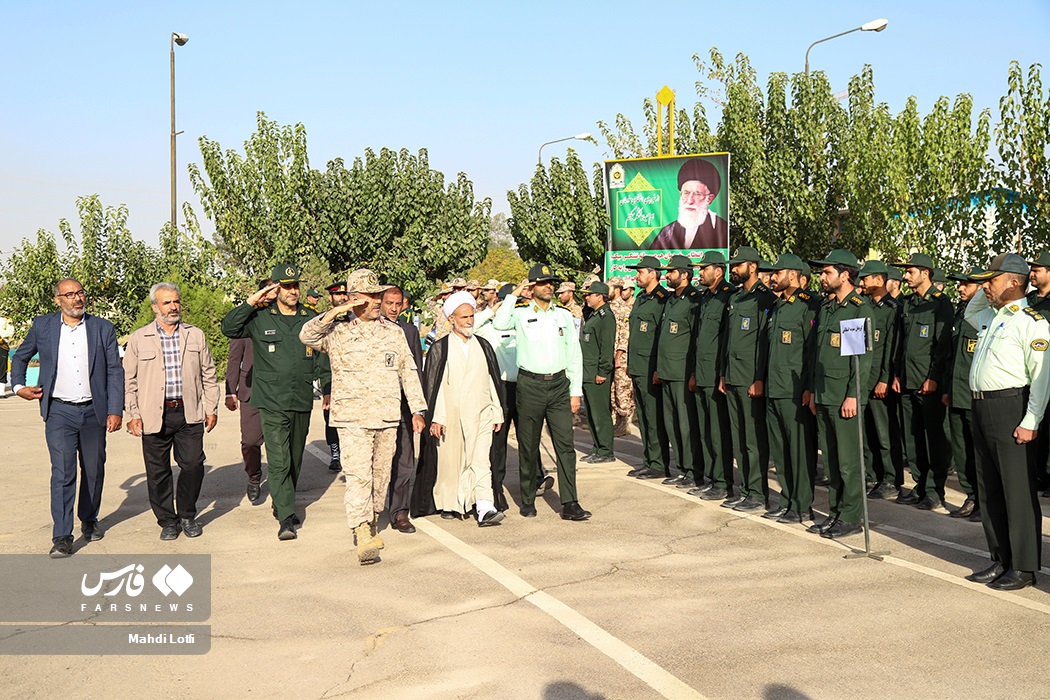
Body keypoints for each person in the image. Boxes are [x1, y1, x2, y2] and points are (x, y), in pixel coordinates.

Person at [300, 269, 426, 564]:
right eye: (371, 296)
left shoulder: (393, 332)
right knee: (359, 477)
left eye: (378, 295)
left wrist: (418, 409)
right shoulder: (337, 332)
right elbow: (305, 334)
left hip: (386, 416)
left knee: (380, 477)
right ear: (355, 299)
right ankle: (361, 531)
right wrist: (336, 312)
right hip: (352, 418)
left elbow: (408, 370)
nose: (378, 301)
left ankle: (370, 521)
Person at [11, 278, 123, 558]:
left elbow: (114, 371)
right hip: (59, 411)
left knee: (94, 470)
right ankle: (62, 535)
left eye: (80, 293)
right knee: (62, 473)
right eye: (69, 294)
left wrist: (114, 409)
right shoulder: (43, 326)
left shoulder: (102, 328)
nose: (77, 299)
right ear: (57, 299)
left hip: (93, 411)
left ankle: (89, 518)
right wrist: (18, 386)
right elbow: (21, 357)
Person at [964, 253, 1050, 590]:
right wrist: (987, 287)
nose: (984, 286)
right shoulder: (992, 315)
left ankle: (1024, 567)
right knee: (990, 489)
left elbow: (1042, 379)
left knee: (1017, 491)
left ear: (1013, 282)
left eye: (992, 280)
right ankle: (1000, 558)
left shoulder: (1032, 322)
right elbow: (971, 311)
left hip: (1011, 408)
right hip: (982, 408)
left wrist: (1031, 420)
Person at [221, 263, 320, 541]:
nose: (293, 291)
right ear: (275, 289)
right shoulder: (260, 318)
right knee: (278, 460)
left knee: (295, 459)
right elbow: (229, 328)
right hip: (271, 400)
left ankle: (281, 502)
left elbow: (322, 350)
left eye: (295, 286)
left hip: (300, 397)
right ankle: (287, 517)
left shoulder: (309, 317)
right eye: (286, 286)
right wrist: (252, 302)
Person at [493, 264, 591, 521]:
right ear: (532, 287)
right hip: (530, 385)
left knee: (565, 447)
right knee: (528, 445)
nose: (550, 286)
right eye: (544, 282)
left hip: (559, 385)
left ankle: (570, 502)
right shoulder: (520, 313)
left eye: (552, 282)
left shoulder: (563, 316)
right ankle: (527, 499)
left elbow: (573, 353)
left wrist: (575, 391)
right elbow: (499, 323)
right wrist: (515, 294)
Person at [124, 282, 219, 540]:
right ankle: (167, 520)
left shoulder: (195, 335)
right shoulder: (139, 338)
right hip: (153, 415)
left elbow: (209, 374)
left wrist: (211, 407)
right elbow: (128, 380)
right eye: (167, 302)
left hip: (188, 413)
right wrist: (133, 414)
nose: (173, 306)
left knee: (193, 465)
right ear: (155, 307)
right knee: (157, 473)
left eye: (176, 301)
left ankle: (187, 514)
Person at [413, 291, 506, 525]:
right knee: (451, 463)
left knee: (481, 460)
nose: (469, 321)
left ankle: (484, 506)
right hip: (450, 416)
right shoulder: (440, 348)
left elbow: (491, 380)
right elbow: (436, 387)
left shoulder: (483, 345)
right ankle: (450, 503)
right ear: (452, 319)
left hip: (482, 413)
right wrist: (437, 418)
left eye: (471, 316)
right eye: (463, 317)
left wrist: (497, 411)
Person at [805, 250, 873, 539]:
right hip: (823, 393)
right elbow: (816, 353)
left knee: (848, 461)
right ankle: (835, 512)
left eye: (827, 272)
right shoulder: (828, 307)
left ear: (845, 275)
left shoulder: (858, 308)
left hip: (843, 396)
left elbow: (862, 360)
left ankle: (850, 516)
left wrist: (853, 395)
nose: (822, 277)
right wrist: (811, 389)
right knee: (832, 460)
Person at [892, 253, 954, 512]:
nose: (906, 276)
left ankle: (934, 490)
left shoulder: (940, 303)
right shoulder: (907, 303)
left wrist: (933, 377)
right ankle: (919, 485)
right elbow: (899, 343)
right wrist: (896, 374)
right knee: (912, 437)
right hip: (906, 380)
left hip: (927, 382)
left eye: (910, 272)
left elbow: (942, 346)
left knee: (932, 438)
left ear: (925, 274)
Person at [764, 254, 820, 522]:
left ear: (795, 275)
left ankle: (802, 505)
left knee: (799, 451)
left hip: (794, 390)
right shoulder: (777, 305)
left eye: (779, 272)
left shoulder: (809, 306)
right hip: (774, 388)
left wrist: (809, 387)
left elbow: (812, 352)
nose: (774, 277)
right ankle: (786, 499)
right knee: (782, 451)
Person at [721, 246, 776, 511]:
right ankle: (745, 490)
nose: (733, 269)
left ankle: (757, 492)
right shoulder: (737, 297)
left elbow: (764, 343)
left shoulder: (764, 298)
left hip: (750, 379)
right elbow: (729, 341)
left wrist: (759, 378)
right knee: (738, 437)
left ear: (752, 266)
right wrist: (723, 373)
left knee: (753, 439)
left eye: (738, 265)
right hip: (732, 376)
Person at [857, 261, 903, 500]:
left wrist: (885, 377)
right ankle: (872, 475)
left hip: (879, 379)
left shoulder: (893, 308)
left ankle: (890, 479)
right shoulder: (863, 306)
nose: (861, 283)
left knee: (885, 433)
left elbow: (891, 348)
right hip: (863, 379)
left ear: (878, 280)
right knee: (866, 433)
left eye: (865, 278)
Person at [691, 251, 736, 501]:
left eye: (704, 269)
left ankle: (723, 481)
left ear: (718, 271)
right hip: (702, 372)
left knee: (718, 432)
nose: (700, 272)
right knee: (706, 430)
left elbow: (725, 343)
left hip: (715, 374)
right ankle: (711, 478)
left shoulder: (727, 296)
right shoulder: (706, 297)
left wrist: (722, 375)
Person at [381, 285, 424, 533]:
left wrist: (419, 409)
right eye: (389, 303)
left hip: (404, 407)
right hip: (377, 408)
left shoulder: (410, 331)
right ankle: (370, 514)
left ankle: (400, 513)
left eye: (398, 304)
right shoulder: (370, 330)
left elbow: (415, 370)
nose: (394, 309)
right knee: (379, 464)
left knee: (405, 462)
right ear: (381, 302)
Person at [625, 256, 671, 480]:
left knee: (654, 417)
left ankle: (660, 463)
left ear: (653, 274)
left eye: (640, 272)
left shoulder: (664, 299)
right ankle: (649, 460)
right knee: (642, 417)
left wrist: (658, 368)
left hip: (651, 367)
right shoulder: (641, 298)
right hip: (637, 366)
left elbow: (663, 338)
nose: (636, 276)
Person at [944, 267, 985, 520]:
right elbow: (951, 357)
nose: (960, 288)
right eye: (960, 284)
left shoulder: (985, 316)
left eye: (966, 284)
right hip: (956, 393)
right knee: (961, 451)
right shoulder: (960, 316)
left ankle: (984, 500)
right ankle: (971, 496)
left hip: (975, 396)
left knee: (978, 452)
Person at [656, 255, 700, 487]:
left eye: (671, 272)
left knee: (685, 425)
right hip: (667, 371)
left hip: (682, 372)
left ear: (684, 274)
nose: (667, 275)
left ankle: (693, 471)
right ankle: (682, 469)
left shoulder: (694, 300)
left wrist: (693, 372)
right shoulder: (671, 300)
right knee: (672, 423)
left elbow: (695, 340)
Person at [650, 158, 728, 250]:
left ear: (709, 199)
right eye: (686, 193)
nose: (690, 200)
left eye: (697, 194)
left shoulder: (722, 229)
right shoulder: (667, 232)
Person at [580, 281, 617, 464]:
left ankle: (606, 450)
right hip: (587, 371)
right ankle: (597, 447)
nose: (587, 297)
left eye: (590, 294)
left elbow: (606, 346)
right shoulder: (594, 315)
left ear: (600, 296)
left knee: (600, 413)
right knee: (591, 412)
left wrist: (603, 371)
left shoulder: (605, 317)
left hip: (597, 373)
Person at [1025, 251, 1050, 495]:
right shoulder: (1028, 300)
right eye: (1031, 269)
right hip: (1031, 373)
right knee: (1037, 427)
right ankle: (1039, 475)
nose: (1032, 273)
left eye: (1038, 270)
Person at [322, 280, 352, 471]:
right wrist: (327, 387)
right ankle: (335, 452)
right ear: (330, 298)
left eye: (344, 294)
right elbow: (322, 359)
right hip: (332, 380)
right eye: (337, 295)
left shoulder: (355, 320)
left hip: (353, 380)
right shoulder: (324, 322)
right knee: (330, 417)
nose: (341, 298)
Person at [606, 277, 635, 437]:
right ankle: (617, 421)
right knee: (612, 390)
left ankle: (624, 422)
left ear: (616, 289)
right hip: (610, 356)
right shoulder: (609, 307)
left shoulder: (624, 309)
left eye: (609, 288)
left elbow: (625, 335)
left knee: (621, 389)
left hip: (621, 358)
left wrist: (619, 355)